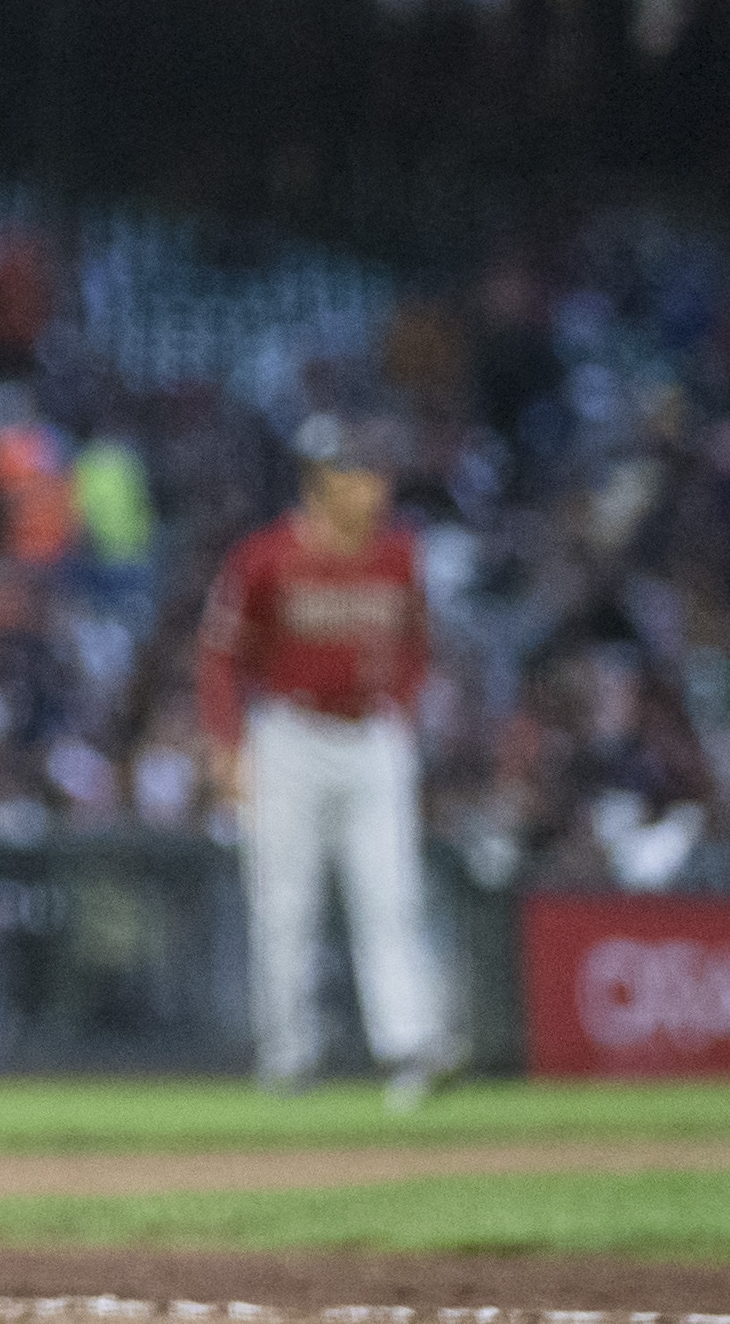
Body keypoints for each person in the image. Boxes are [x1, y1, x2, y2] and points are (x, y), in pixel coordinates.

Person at [199, 414, 452, 1107]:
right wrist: (227, 743)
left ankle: (408, 1048)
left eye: (375, 472)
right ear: (319, 480)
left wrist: (400, 707)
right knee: (284, 902)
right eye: (356, 472)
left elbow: (418, 644)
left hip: (372, 736)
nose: (373, 486)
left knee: (392, 895)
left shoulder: (399, 553)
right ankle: (287, 1057)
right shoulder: (265, 556)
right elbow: (220, 655)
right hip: (290, 734)